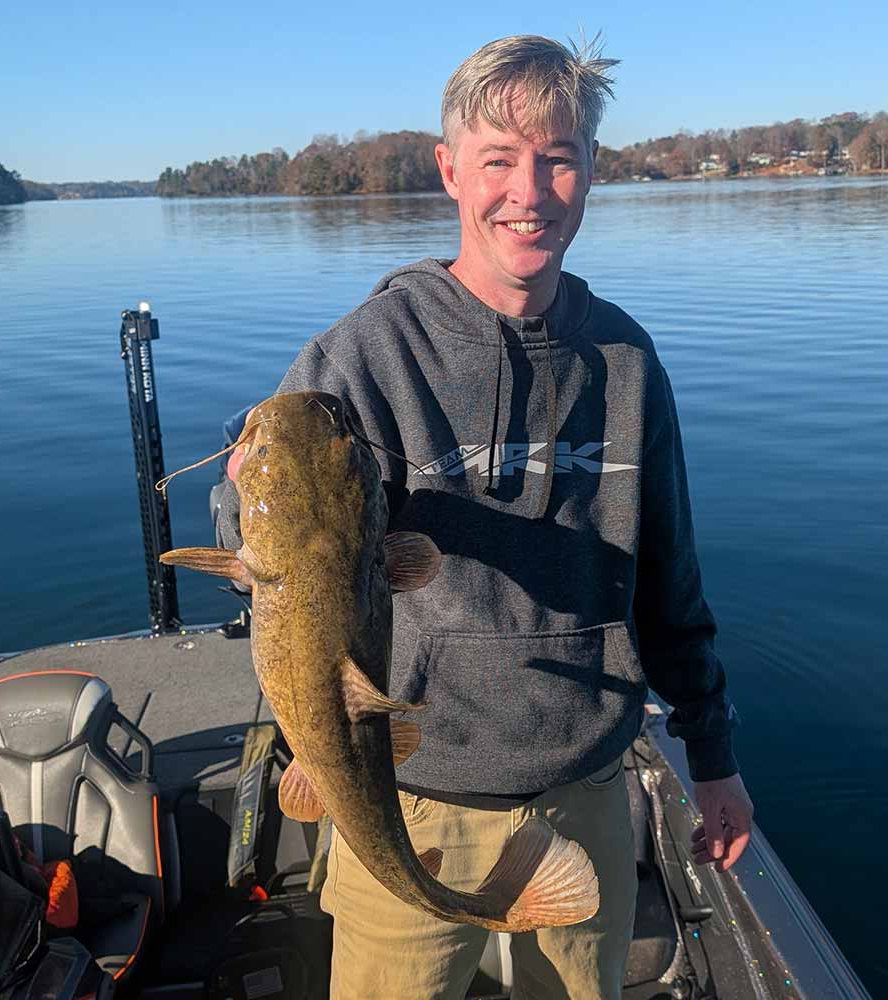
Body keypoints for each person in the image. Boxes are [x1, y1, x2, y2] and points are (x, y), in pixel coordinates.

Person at [216, 34, 753, 1000]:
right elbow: (268, 538)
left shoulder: (627, 362)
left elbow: (671, 578)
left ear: (591, 172)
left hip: (586, 787)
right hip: (411, 796)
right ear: (450, 169)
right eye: (500, 159)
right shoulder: (363, 356)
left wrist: (712, 756)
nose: (530, 192)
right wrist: (239, 494)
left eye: (558, 160)